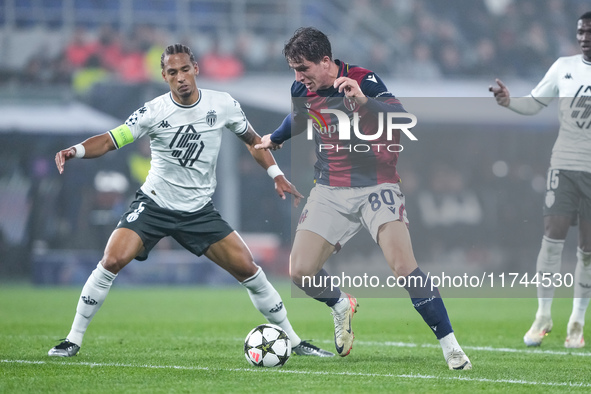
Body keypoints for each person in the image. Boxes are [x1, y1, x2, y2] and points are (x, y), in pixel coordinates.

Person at [48, 43, 334, 358]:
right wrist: (75, 150)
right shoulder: (154, 111)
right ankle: (72, 339)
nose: (181, 77)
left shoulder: (222, 104)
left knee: (249, 269)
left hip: (198, 212)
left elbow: (254, 142)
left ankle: (294, 341)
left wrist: (276, 174)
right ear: (164, 76)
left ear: (195, 69)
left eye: (185, 69)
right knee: (112, 260)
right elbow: (111, 139)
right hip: (154, 205)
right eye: (173, 72)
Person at [255, 27, 472, 370]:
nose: (298, 77)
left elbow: (402, 118)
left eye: (304, 69)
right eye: (294, 70)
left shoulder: (363, 79)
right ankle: (340, 304)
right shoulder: (302, 88)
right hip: (329, 188)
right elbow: (300, 116)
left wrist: (363, 101)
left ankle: (451, 347)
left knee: (404, 267)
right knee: (300, 272)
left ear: (325, 61)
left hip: (377, 185)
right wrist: (277, 138)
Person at [489, 12, 591, 349]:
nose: (585, 37)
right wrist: (508, 102)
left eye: (589, 31)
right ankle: (543, 315)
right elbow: (535, 102)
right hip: (563, 165)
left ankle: (577, 321)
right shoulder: (565, 66)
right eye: (581, 31)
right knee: (552, 236)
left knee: (587, 250)